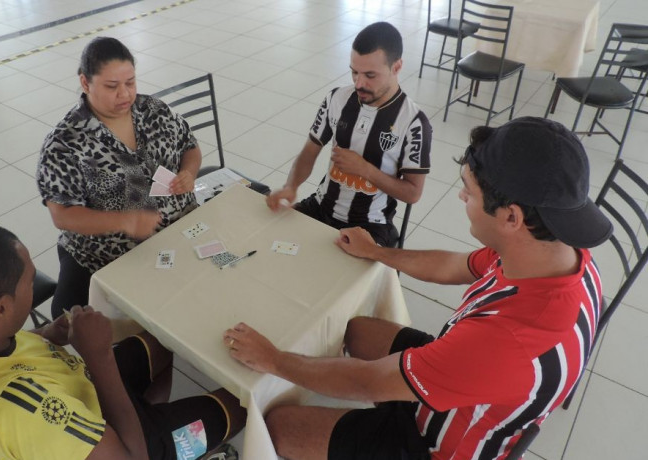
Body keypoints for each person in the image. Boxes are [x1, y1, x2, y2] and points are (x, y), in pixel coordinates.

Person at [223, 117, 613, 459]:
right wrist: (376, 252)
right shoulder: (554, 250)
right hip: (467, 381)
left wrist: (275, 360)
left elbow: (367, 382)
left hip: (437, 444)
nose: (461, 196)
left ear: (511, 217)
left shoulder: (509, 341)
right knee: (355, 329)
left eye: (469, 191)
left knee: (280, 427)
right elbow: (453, 265)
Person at [0, 224, 245, 460]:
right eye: (29, 282)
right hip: (123, 444)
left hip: (82, 391)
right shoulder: (25, 410)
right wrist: (99, 357)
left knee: (159, 340)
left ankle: (149, 412)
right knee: (243, 403)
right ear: (2, 309)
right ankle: (164, 434)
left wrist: (45, 335)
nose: (34, 285)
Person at [36, 36, 202, 319]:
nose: (125, 94)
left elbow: (190, 148)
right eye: (112, 86)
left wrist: (188, 172)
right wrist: (124, 221)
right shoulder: (64, 144)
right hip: (106, 255)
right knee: (69, 319)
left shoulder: (154, 111)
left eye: (130, 83)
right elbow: (62, 215)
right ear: (86, 83)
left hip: (178, 233)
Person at [266, 22, 432, 247]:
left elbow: (413, 193)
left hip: (371, 224)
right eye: (354, 72)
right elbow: (310, 150)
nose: (359, 83)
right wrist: (291, 186)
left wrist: (365, 170)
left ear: (397, 67)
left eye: (370, 75)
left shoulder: (414, 123)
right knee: (269, 242)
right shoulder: (336, 98)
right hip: (321, 207)